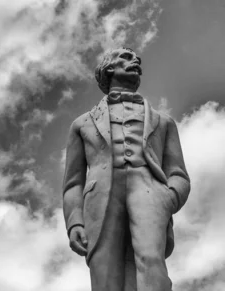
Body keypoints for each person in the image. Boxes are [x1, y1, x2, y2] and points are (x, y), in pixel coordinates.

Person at [62, 47, 191, 291]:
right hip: (99, 198)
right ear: (109, 68)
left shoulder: (164, 122)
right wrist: (74, 222)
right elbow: (73, 183)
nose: (136, 61)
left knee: (152, 261)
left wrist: (169, 197)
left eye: (137, 59)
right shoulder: (82, 124)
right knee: (104, 270)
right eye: (127, 57)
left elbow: (178, 174)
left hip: (149, 192)